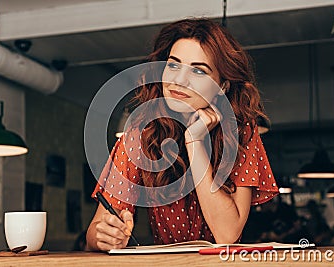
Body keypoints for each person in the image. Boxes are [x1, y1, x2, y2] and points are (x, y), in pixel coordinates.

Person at [86, 18, 279, 251]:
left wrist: (194, 140)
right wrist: (105, 235)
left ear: (223, 85)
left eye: (198, 70)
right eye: (174, 65)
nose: (178, 81)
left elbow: (227, 234)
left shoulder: (242, 133)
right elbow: (96, 230)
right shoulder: (140, 135)